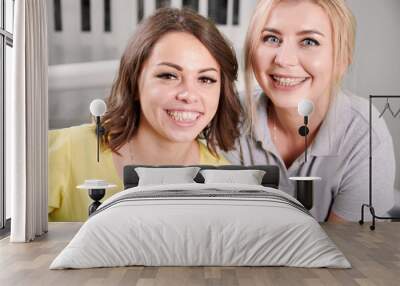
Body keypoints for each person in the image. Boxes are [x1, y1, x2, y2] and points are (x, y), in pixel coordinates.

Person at [48, 8, 242, 221]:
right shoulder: (62, 152)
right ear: (134, 82)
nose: (188, 95)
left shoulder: (225, 178)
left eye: (205, 79)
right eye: (168, 75)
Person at [223, 0, 395, 222]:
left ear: (342, 60)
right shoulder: (227, 115)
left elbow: (349, 250)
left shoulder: (365, 134)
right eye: (271, 38)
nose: (284, 60)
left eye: (309, 41)